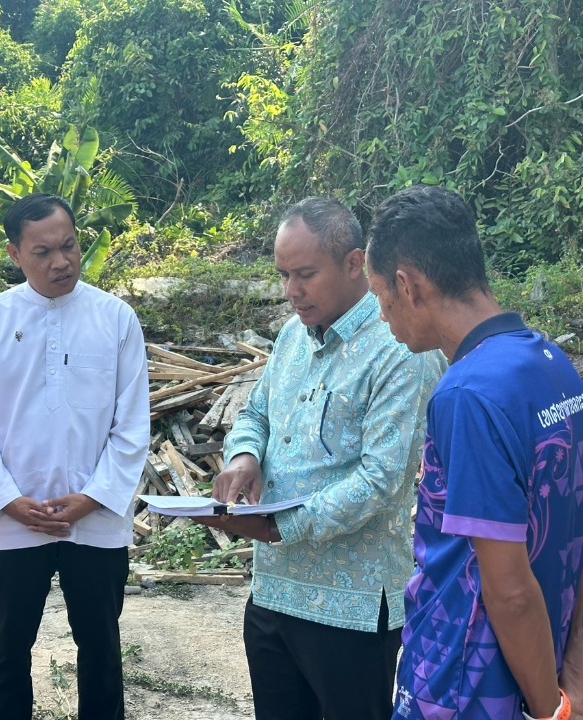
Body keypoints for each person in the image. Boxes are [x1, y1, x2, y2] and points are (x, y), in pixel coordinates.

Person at [194, 197, 444, 720]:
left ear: (354, 264)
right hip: (273, 592)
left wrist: (279, 527)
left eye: (305, 274)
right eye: (283, 275)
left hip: (351, 609)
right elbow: (256, 413)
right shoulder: (293, 336)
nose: (291, 291)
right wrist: (244, 457)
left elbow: (381, 478)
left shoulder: (400, 349)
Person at [366, 185, 583, 720]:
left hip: (463, 688)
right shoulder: (553, 365)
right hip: (547, 669)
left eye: (379, 296)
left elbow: (509, 589)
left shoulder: (466, 395)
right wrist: (573, 682)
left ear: (407, 286)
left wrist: (549, 710)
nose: (383, 316)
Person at [0, 193, 150, 720]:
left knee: (101, 649)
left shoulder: (116, 319)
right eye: (43, 252)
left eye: (69, 246)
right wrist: (8, 500)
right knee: (8, 650)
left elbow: (132, 426)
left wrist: (92, 499)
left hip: (96, 521)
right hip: (13, 521)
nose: (61, 262)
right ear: (15, 254)